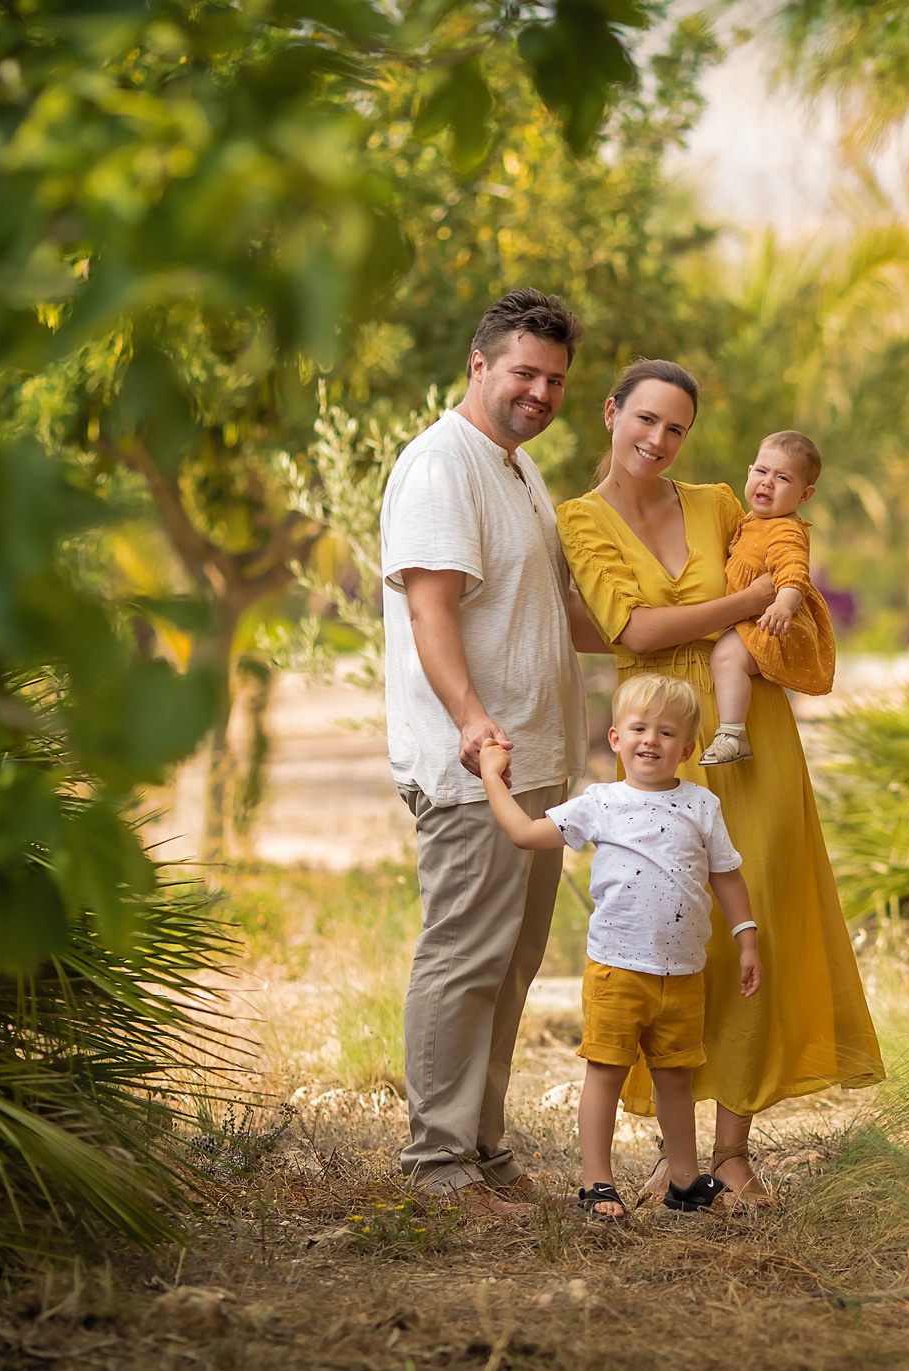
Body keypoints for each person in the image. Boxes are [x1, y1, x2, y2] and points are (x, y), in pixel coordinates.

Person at [554, 359, 884, 1208]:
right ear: (611, 413)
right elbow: (635, 625)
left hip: (752, 735)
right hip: (661, 743)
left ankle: (730, 1154)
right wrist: (736, 610)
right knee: (675, 934)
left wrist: (755, 609)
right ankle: (678, 1154)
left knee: (754, 923)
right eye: (647, 420)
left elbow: (780, 573)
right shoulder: (580, 520)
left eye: (677, 429)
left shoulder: (718, 503)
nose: (659, 441)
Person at [378, 288, 605, 1217]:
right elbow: (432, 610)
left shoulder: (516, 468)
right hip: (478, 766)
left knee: (512, 964)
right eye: (524, 372)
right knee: (464, 958)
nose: (540, 391)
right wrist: (473, 720)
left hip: (538, 765)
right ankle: (436, 1166)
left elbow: (557, 615)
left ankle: (481, 1144)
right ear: (478, 366)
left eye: (554, 379)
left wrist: (686, 636)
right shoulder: (442, 466)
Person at [476, 674, 761, 1221]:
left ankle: (683, 1181)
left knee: (676, 1078)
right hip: (617, 970)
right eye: (638, 728)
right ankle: (597, 1185)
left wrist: (745, 935)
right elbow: (525, 834)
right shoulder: (600, 803)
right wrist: (494, 779)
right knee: (605, 1072)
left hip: (683, 974)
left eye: (667, 731)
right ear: (614, 738)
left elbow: (726, 874)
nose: (650, 740)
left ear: (688, 747)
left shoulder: (701, 805)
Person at [698, 430, 836, 767]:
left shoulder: (784, 530)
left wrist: (783, 605)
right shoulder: (751, 522)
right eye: (761, 472)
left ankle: (732, 735)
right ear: (749, 473)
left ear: (804, 494)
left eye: (782, 477)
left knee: (726, 658)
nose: (767, 483)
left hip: (772, 623)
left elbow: (794, 573)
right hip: (756, 618)